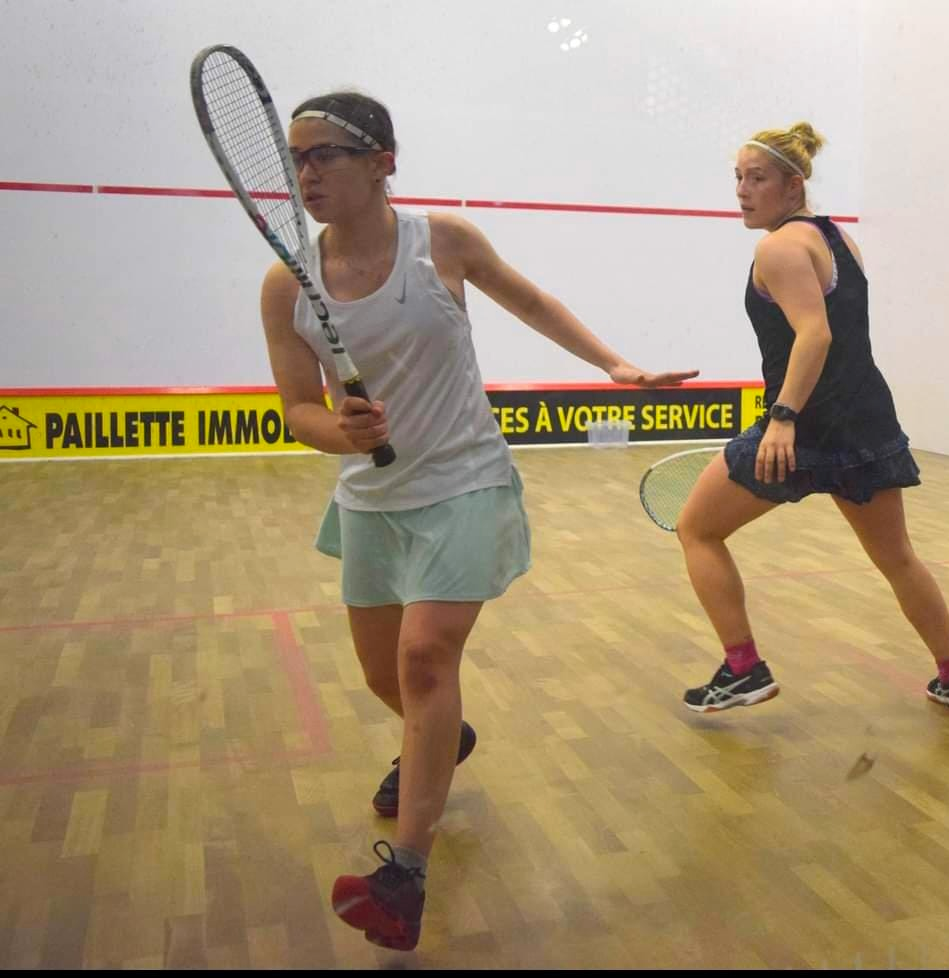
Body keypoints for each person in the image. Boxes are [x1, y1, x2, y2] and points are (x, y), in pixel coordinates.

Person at [260, 90, 698, 951]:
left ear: (383, 162)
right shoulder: (288, 283)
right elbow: (294, 410)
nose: (306, 174)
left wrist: (613, 363)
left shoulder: (442, 243)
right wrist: (336, 432)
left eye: (325, 156)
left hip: (465, 482)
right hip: (373, 504)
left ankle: (404, 875)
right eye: (297, 159)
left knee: (425, 660)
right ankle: (442, 738)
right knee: (393, 684)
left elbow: (528, 302)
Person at [677, 122, 949, 721]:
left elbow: (815, 334)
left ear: (793, 185)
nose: (742, 190)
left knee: (697, 530)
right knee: (897, 558)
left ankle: (743, 668)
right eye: (737, 177)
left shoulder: (779, 247)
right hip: (865, 423)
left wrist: (783, 419)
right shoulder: (836, 239)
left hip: (803, 428)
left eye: (757, 178)